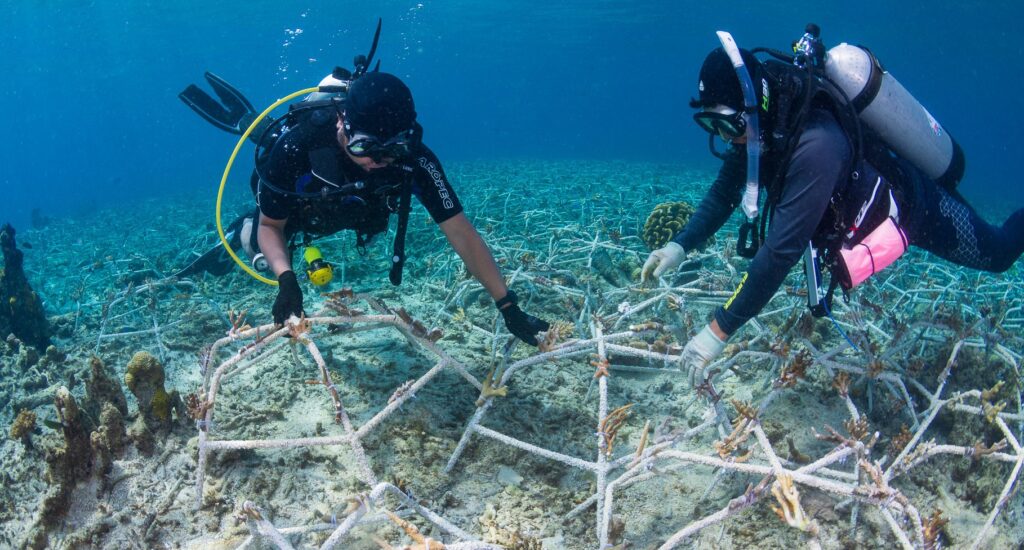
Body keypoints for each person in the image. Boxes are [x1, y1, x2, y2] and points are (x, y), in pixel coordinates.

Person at [642, 37, 1024, 384]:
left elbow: (778, 253)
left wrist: (717, 331)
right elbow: (724, 191)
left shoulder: (817, 146)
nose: (725, 137)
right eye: (712, 124)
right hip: (868, 211)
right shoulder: (760, 123)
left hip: (916, 208)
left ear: (753, 104)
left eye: (728, 124)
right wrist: (679, 245)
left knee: (1000, 254)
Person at [177, 68, 550, 345]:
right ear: (342, 121)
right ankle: (239, 228)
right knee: (257, 237)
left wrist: (507, 305)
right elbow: (272, 225)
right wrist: (287, 281)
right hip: (305, 210)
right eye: (365, 148)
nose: (378, 162)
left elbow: (461, 232)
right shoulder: (298, 147)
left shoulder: (415, 160)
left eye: (392, 151)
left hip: (354, 212)